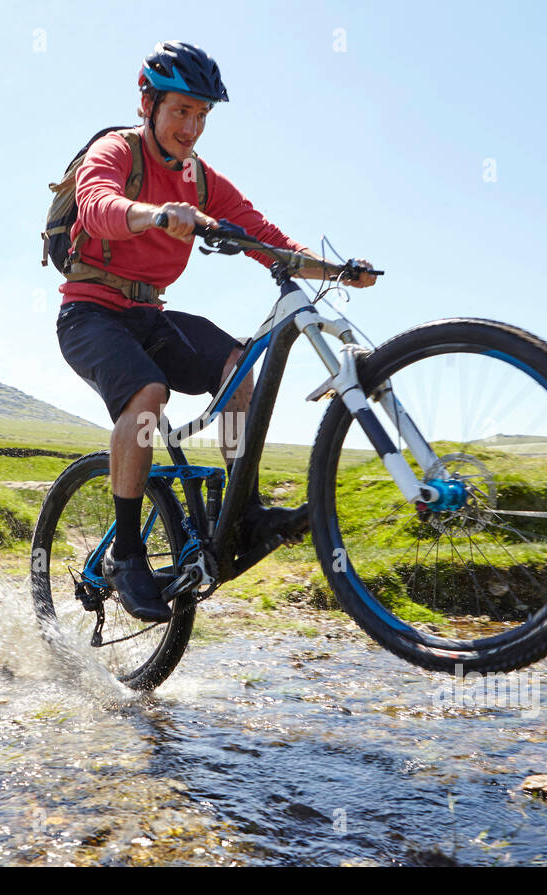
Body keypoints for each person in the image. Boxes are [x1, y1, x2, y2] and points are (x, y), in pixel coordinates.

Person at [56, 40, 377, 623]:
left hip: (149, 315)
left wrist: (337, 271)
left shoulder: (202, 182)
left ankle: (245, 509)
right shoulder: (116, 152)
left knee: (237, 367)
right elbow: (98, 206)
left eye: (203, 115)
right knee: (147, 394)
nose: (192, 127)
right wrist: (155, 213)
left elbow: (267, 240)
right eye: (182, 110)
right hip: (90, 314)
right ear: (148, 103)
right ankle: (128, 554)